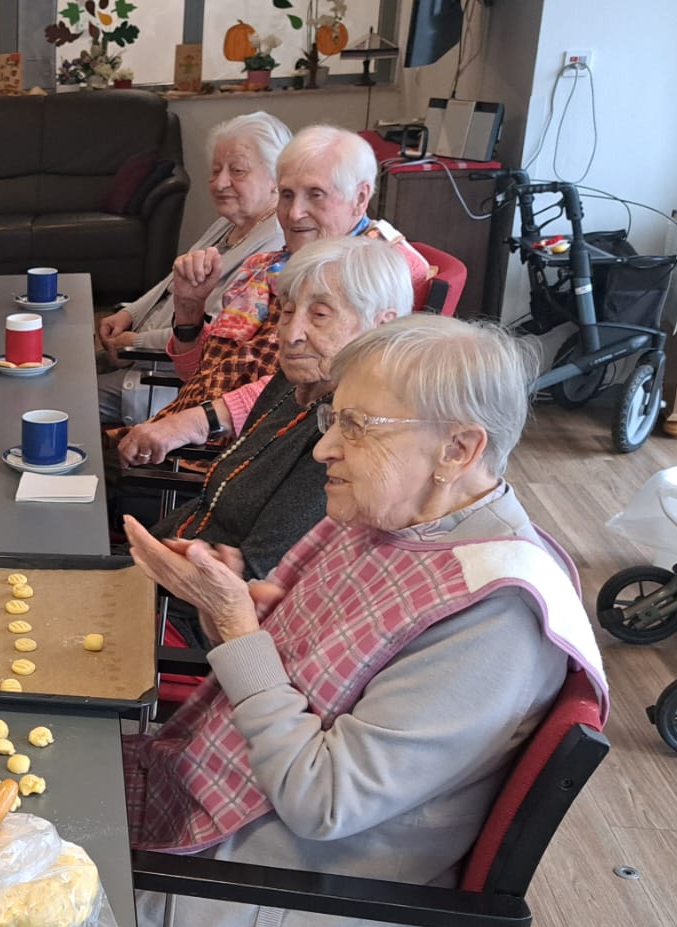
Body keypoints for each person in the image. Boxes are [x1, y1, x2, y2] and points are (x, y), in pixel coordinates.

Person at [120, 314, 609, 927]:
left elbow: (323, 802)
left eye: (356, 424)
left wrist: (237, 632)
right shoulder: (403, 518)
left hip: (300, 911)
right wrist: (246, 617)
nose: (324, 447)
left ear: (458, 447)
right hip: (252, 850)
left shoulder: (497, 618)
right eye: (331, 417)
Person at [118, 237, 413, 580]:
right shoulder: (291, 382)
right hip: (160, 561)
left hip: (190, 608)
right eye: (288, 311)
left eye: (319, 315)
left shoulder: (346, 435)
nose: (290, 335)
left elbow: (255, 575)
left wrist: (136, 571)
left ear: (381, 326)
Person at [145, 124, 428, 423]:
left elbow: (326, 387)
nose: (294, 213)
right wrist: (189, 311)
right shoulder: (267, 267)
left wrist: (201, 422)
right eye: (287, 195)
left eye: (315, 194)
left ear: (360, 198)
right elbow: (200, 378)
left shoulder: (382, 272)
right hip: (202, 434)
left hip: (270, 451)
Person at [96, 112, 290, 424]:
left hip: (164, 381)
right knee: (59, 367)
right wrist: (129, 313)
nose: (221, 182)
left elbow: (214, 334)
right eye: (215, 171)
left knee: (64, 397)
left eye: (237, 171)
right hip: (139, 358)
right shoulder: (227, 224)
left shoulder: (273, 248)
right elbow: (174, 279)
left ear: (276, 177)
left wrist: (136, 343)